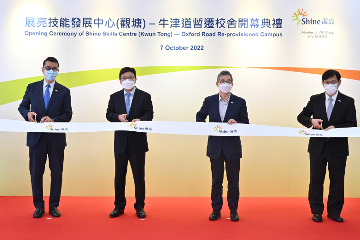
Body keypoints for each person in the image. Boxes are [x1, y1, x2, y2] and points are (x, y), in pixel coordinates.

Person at [297, 69, 357, 222]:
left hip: (338, 148)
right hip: (318, 147)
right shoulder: (315, 99)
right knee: (316, 180)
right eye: (327, 82)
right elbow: (301, 116)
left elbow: (352, 124)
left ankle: (334, 211)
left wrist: (337, 128)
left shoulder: (348, 101)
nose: (330, 85)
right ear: (322, 83)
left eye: (333, 82)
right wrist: (311, 121)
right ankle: (316, 211)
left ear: (339, 83)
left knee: (337, 180)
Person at [18, 57, 72, 218]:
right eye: (48, 67)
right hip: (36, 138)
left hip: (56, 139)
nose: (51, 71)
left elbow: (68, 115)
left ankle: (54, 205)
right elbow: (22, 106)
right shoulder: (32, 87)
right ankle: (38, 206)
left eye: (54, 68)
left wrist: (54, 120)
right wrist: (27, 113)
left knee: (56, 172)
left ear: (58, 71)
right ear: (42, 69)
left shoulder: (64, 91)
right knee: (36, 173)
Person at [196, 70, 249, 221]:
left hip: (233, 148)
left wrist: (237, 123)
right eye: (223, 81)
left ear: (232, 84)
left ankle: (233, 210)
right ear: (217, 83)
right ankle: (216, 209)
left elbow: (246, 123)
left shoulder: (240, 102)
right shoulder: (209, 100)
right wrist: (206, 127)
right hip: (215, 148)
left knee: (233, 182)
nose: (225, 83)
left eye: (228, 81)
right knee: (216, 181)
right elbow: (199, 116)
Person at [106, 67, 153, 218]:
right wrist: (117, 117)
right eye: (124, 78)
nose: (128, 80)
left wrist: (141, 120)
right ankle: (118, 206)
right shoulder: (114, 97)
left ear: (135, 79)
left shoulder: (144, 96)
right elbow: (109, 114)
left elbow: (149, 114)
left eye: (131, 77)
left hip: (137, 142)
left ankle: (140, 206)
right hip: (120, 142)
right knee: (119, 175)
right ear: (120, 81)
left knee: (139, 176)